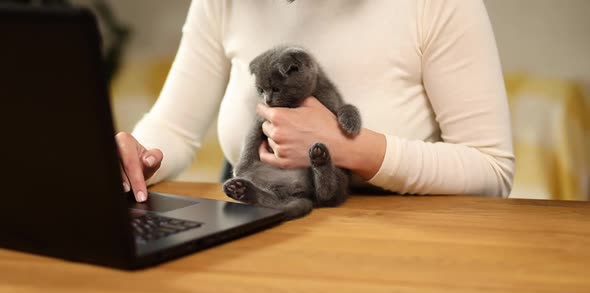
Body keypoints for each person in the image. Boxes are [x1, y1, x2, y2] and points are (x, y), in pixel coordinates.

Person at [116, 0, 515, 203]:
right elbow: (174, 128)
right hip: (259, 241)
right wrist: (138, 158)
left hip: (400, 257)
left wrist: (345, 147)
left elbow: (491, 168)